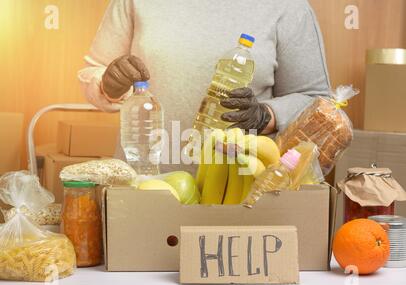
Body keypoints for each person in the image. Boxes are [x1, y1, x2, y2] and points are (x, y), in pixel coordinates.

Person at [78, 0, 330, 166]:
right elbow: (95, 70)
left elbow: (317, 101)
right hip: (143, 183)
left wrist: (266, 115)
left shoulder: (287, 6)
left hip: (240, 187)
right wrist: (108, 85)